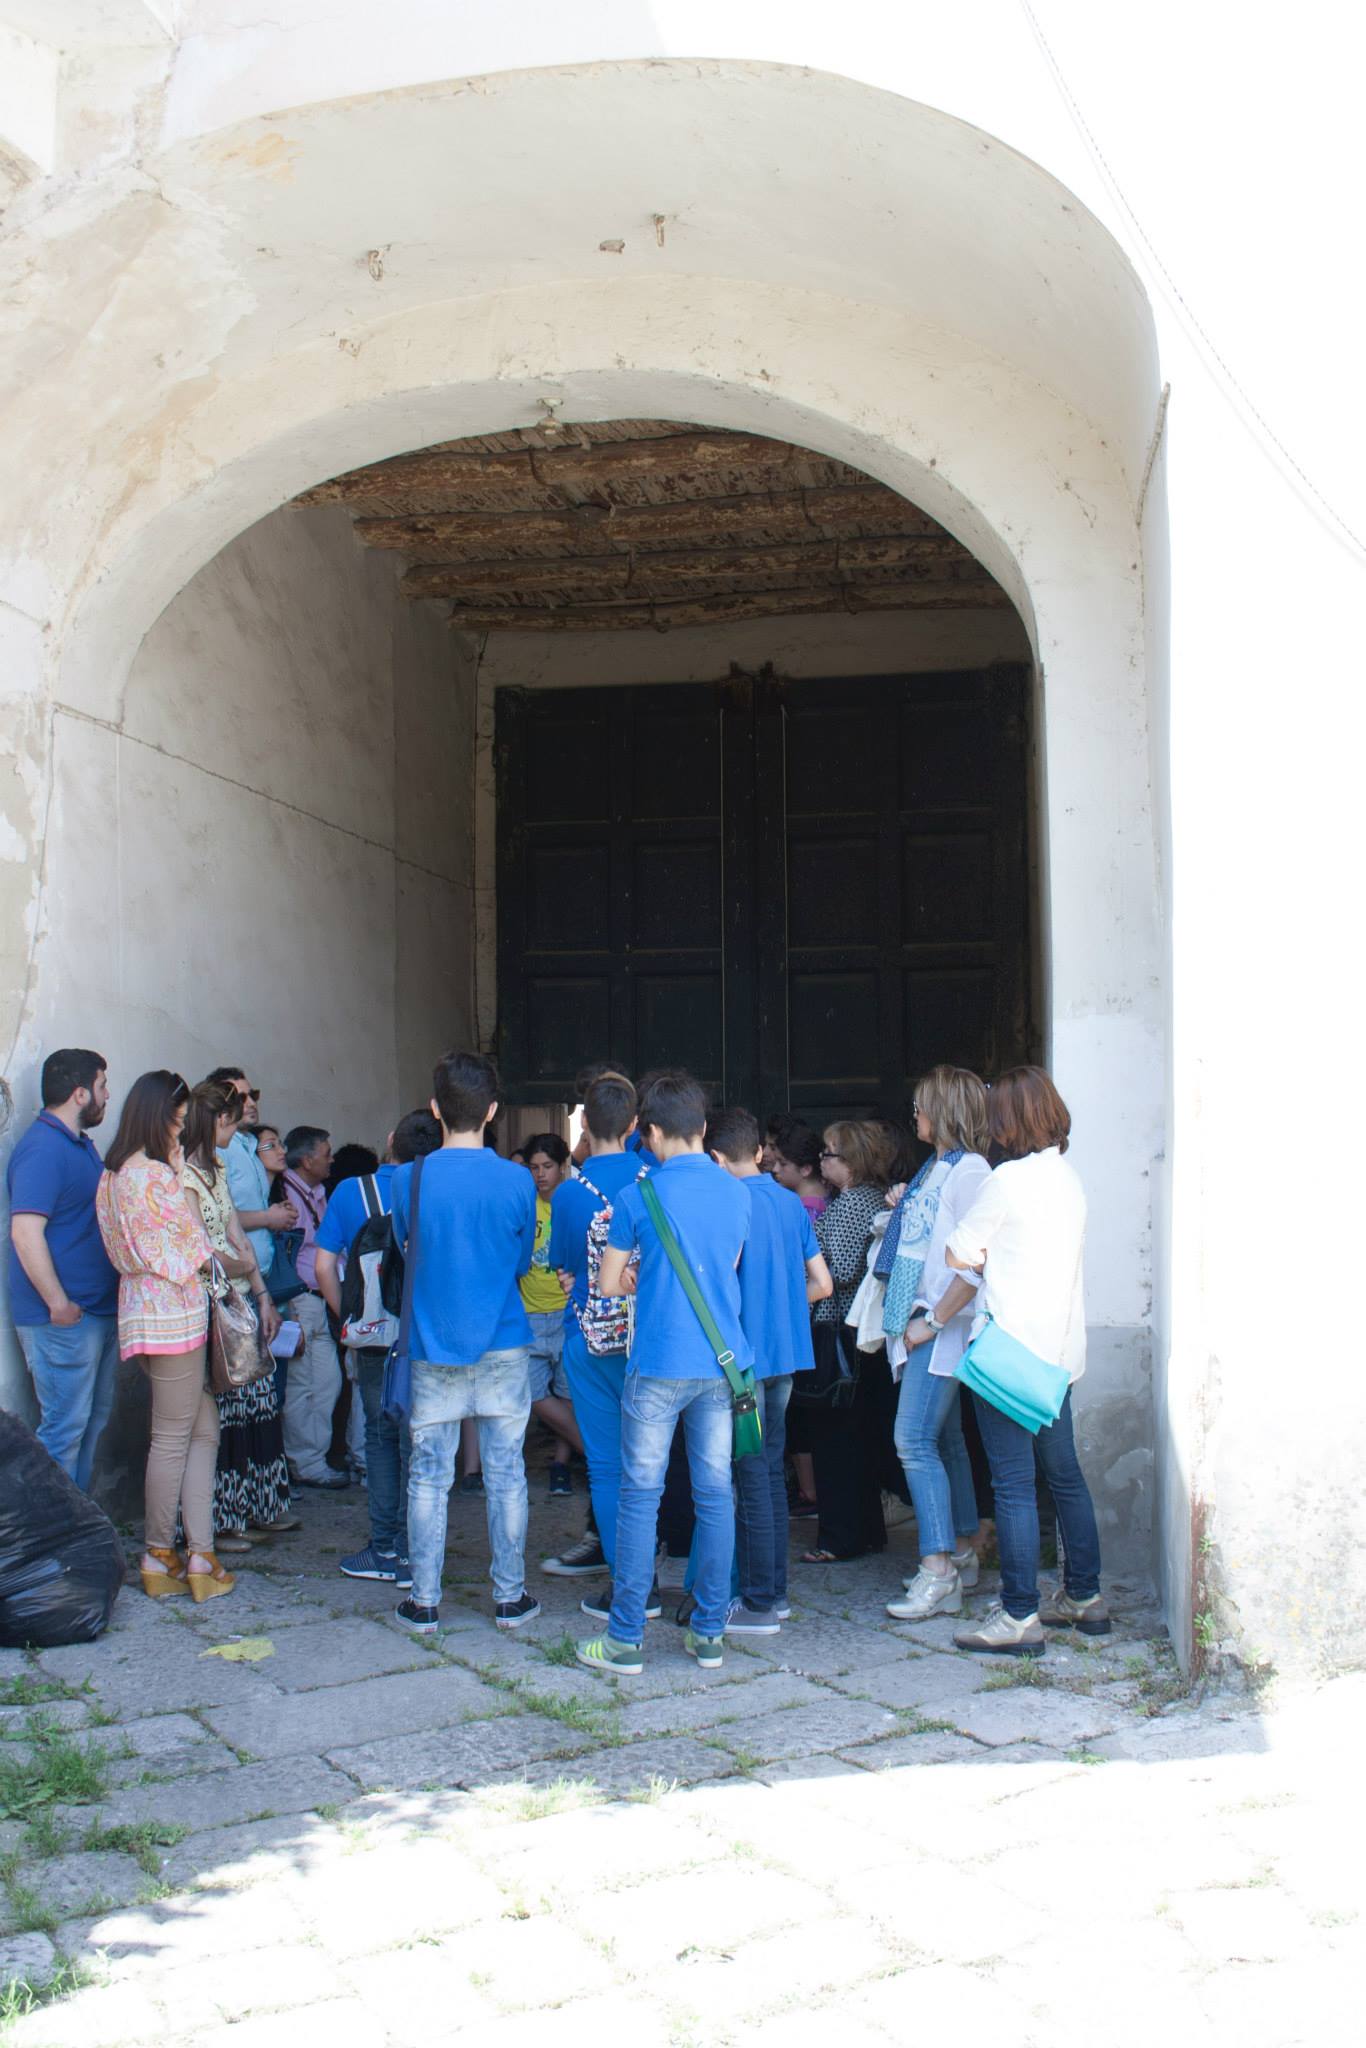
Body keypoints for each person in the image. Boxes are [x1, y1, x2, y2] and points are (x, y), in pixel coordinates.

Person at [578, 1069, 752, 1676]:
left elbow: (607, 1283)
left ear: (650, 1133)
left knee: (639, 1495)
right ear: (702, 1127)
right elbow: (725, 1266)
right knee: (715, 1494)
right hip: (721, 1362)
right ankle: (709, 1633)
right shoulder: (738, 1192)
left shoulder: (638, 1196)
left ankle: (625, 1638)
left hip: (657, 1361)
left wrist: (637, 1278)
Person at [945, 1065, 1108, 1654]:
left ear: (1007, 1121)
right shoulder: (1069, 1178)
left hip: (1008, 1354)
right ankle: (1084, 1597)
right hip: (1058, 1356)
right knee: (1064, 1476)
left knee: (1012, 1484)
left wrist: (989, 1258)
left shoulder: (1006, 1181)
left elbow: (958, 1251)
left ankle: (1018, 1616)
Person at [390, 1051, 540, 1635]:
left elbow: (406, 1248)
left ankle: (424, 1601)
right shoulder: (517, 1179)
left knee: (429, 1476)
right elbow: (522, 1260)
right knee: (507, 1475)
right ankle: (509, 1597)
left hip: (431, 1343)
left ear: (435, 1109)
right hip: (503, 1340)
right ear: (493, 1111)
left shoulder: (408, 1178)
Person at [94, 1070, 232, 1602]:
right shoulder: (151, 1175)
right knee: (174, 1436)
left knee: (201, 1429)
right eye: (178, 1120)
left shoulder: (112, 1175)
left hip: (139, 1308)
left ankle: (200, 1552)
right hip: (175, 1311)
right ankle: (159, 1553)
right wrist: (176, 1174)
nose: (181, 1130)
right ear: (161, 1116)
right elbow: (192, 1245)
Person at [707, 1106, 832, 1633]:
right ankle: (775, 1594)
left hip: (744, 1362)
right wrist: (783, 1306)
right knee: (770, 1472)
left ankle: (758, 1602)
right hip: (787, 1354)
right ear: (759, 1151)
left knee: (751, 1476)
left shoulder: (725, 1204)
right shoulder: (788, 1203)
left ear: (715, 1158)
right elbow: (823, 1284)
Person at [880, 1067, 993, 1622]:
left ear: (944, 1111)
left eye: (922, 1106)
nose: (916, 1115)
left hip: (940, 1326)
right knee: (944, 1440)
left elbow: (977, 1260)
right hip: (927, 1320)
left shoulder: (969, 1172)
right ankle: (963, 1549)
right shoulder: (937, 1169)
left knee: (913, 1441)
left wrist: (932, 1320)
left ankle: (938, 1570)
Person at [314, 1107, 441, 1585]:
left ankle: (385, 1548)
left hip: (375, 1337)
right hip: (426, 1333)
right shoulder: (438, 1189)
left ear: (391, 1140)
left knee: (381, 1435)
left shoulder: (353, 1191)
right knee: (421, 1439)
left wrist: (350, 1321)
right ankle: (418, 1551)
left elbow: (323, 1266)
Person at [542, 1072, 647, 1596]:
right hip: (650, 1335)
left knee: (606, 1467)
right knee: (653, 1463)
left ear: (583, 1122)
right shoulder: (654, 1176)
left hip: (590, 1335)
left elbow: (563, 1266)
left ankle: (629, 1587)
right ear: (635, 1124)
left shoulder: (568, 1194)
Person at [6, 1048, 120, 1491]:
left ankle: (79, 1524)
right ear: (80, 1093)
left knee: (90, 1424)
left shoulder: (79, 1145)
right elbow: (25, 1233)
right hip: (63, 1320)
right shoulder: (42, 1148)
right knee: (63, 1432)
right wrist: (58, 1304)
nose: (107, 1095)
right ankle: (54, 1531)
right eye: (102, 1086)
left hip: (95, 1312)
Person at [182, 1080, 288, 1551]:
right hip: (210, 1304)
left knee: (256, 1409)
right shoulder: (185, 1174)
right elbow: (200, 1250)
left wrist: (262, 1294)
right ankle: (221, 1521)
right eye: (232, 1119)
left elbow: (236, 1235)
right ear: (219, 1119)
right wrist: (240, 1267)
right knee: (222, 1421)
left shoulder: (219, 1167)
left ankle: (256, 1507)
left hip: (240, 1300)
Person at [799, 1119, 893, 1564]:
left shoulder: (853, 1204)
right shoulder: (871, 1199)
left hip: (839, 1332)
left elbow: (838, 1272)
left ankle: (839, 1538)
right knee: (861, 1437)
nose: (821, 1160)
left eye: (829, 1153)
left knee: (835, 1440)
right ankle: (867, 1531)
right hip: (862, 1335)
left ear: (851, 1162)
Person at [279, 1125, 346, 1490]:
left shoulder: (318, 1193)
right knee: (302, 1386)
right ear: (306, 1160)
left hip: (320, 1300)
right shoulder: (284, 1193)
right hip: (300, 1300)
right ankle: (305, 1463)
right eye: (326, 1153)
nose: (331, 1160)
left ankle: (313, 1460)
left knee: (327, 1383)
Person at [519, 1132, 583, 1496]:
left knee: (568, 1392)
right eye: (533, 1167)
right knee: (531, 1393)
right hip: (529, 1312)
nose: (540, 1174)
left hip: (565, 1311)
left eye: (547, 1166)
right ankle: (593, 1451)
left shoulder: (571, 1203)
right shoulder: (525, 1204)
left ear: (562, 1167)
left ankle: (560, 1463)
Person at [206, 1067, 299, 1288]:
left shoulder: (249, 1145)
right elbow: (217, 1217)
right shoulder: (220, 1149)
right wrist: (268, 1218)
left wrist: (276, 1214)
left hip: (261, 1278)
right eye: (241, 1098)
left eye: (253, 1095)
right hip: (235, 1282)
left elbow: (246, 1206)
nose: (251, 1103)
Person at [768, 1121, 827, 1220]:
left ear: (806, 1169)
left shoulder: (806, 1212)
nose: (775, 1169)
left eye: (783, 1163)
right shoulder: (824, 1200)